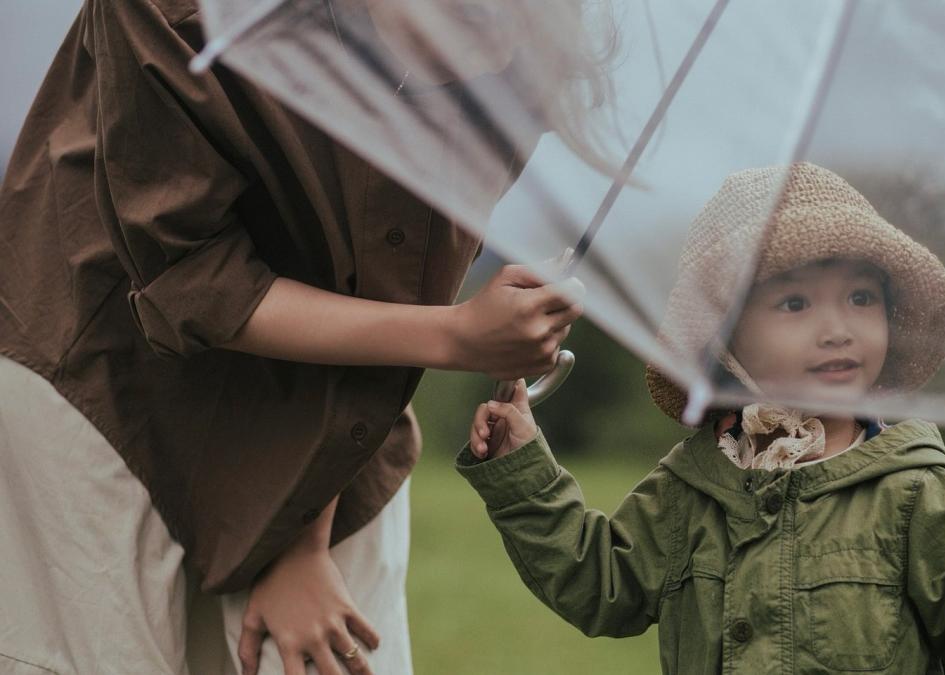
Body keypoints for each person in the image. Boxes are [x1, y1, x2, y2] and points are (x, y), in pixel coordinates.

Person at [0, 1, 609, 673]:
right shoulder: (177, 9)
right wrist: (458, 336)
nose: (495, 32)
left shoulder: (520, 50)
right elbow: (190, 276)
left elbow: (399, 275)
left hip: (348, 391)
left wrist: (304, 534)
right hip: (108, 377)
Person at [457, 163, 945, 674]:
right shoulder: (693, 483)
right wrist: (523, 472)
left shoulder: (915, 486)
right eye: (795, 302)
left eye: (861, 298)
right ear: (725, 340)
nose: (838, 328)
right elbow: (601, 584)